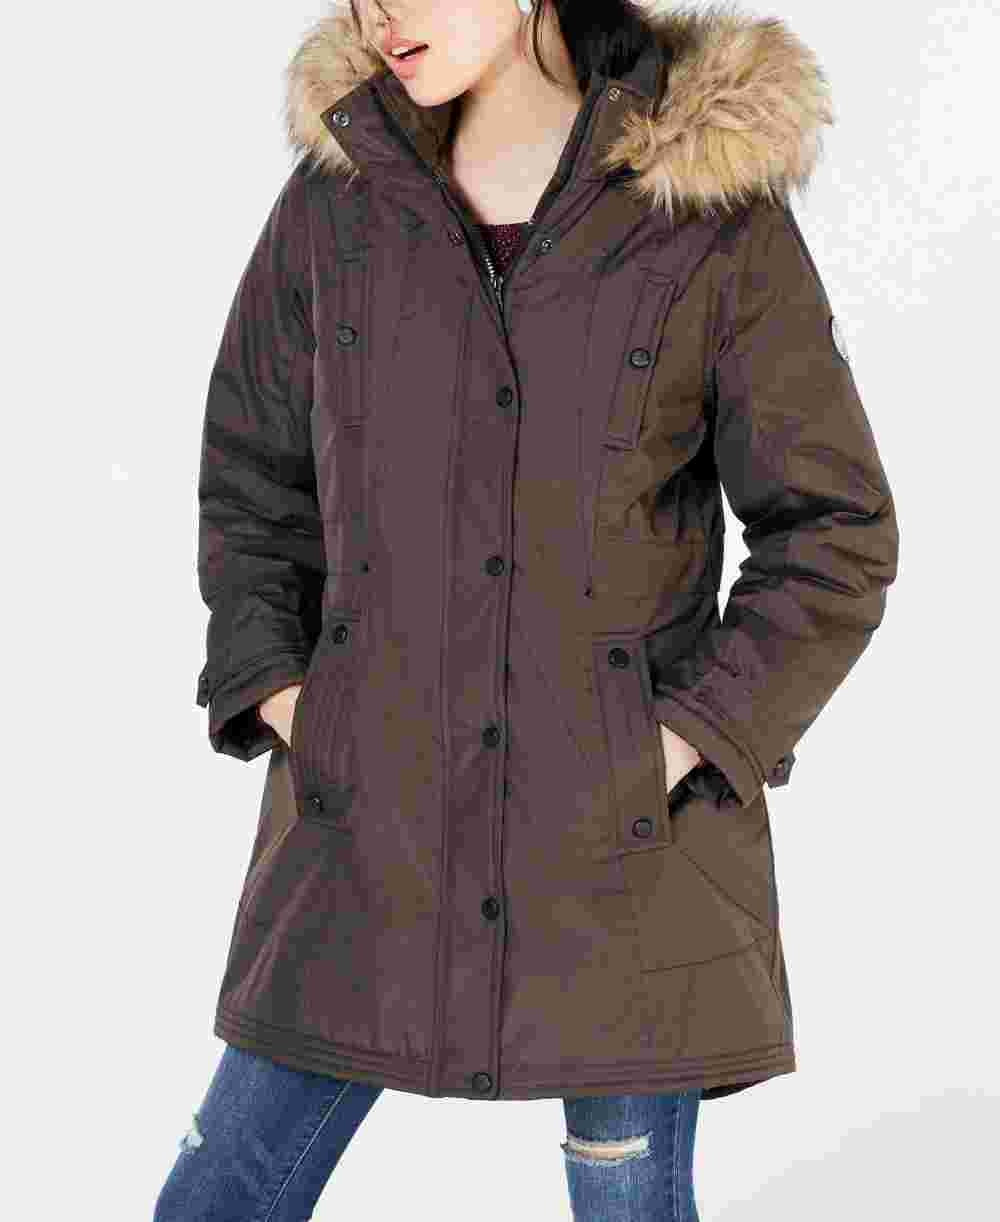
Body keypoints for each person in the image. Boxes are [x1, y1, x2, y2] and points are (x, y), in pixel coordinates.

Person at [161, 1, 899, 1218]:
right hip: (363, 836)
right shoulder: (338, 200)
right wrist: (295, 703)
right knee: (217, 1196)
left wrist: (676, 743)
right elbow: (252, 483)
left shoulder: (702, 213)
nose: (376, 13)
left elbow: (834, 530)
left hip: (622, 861)